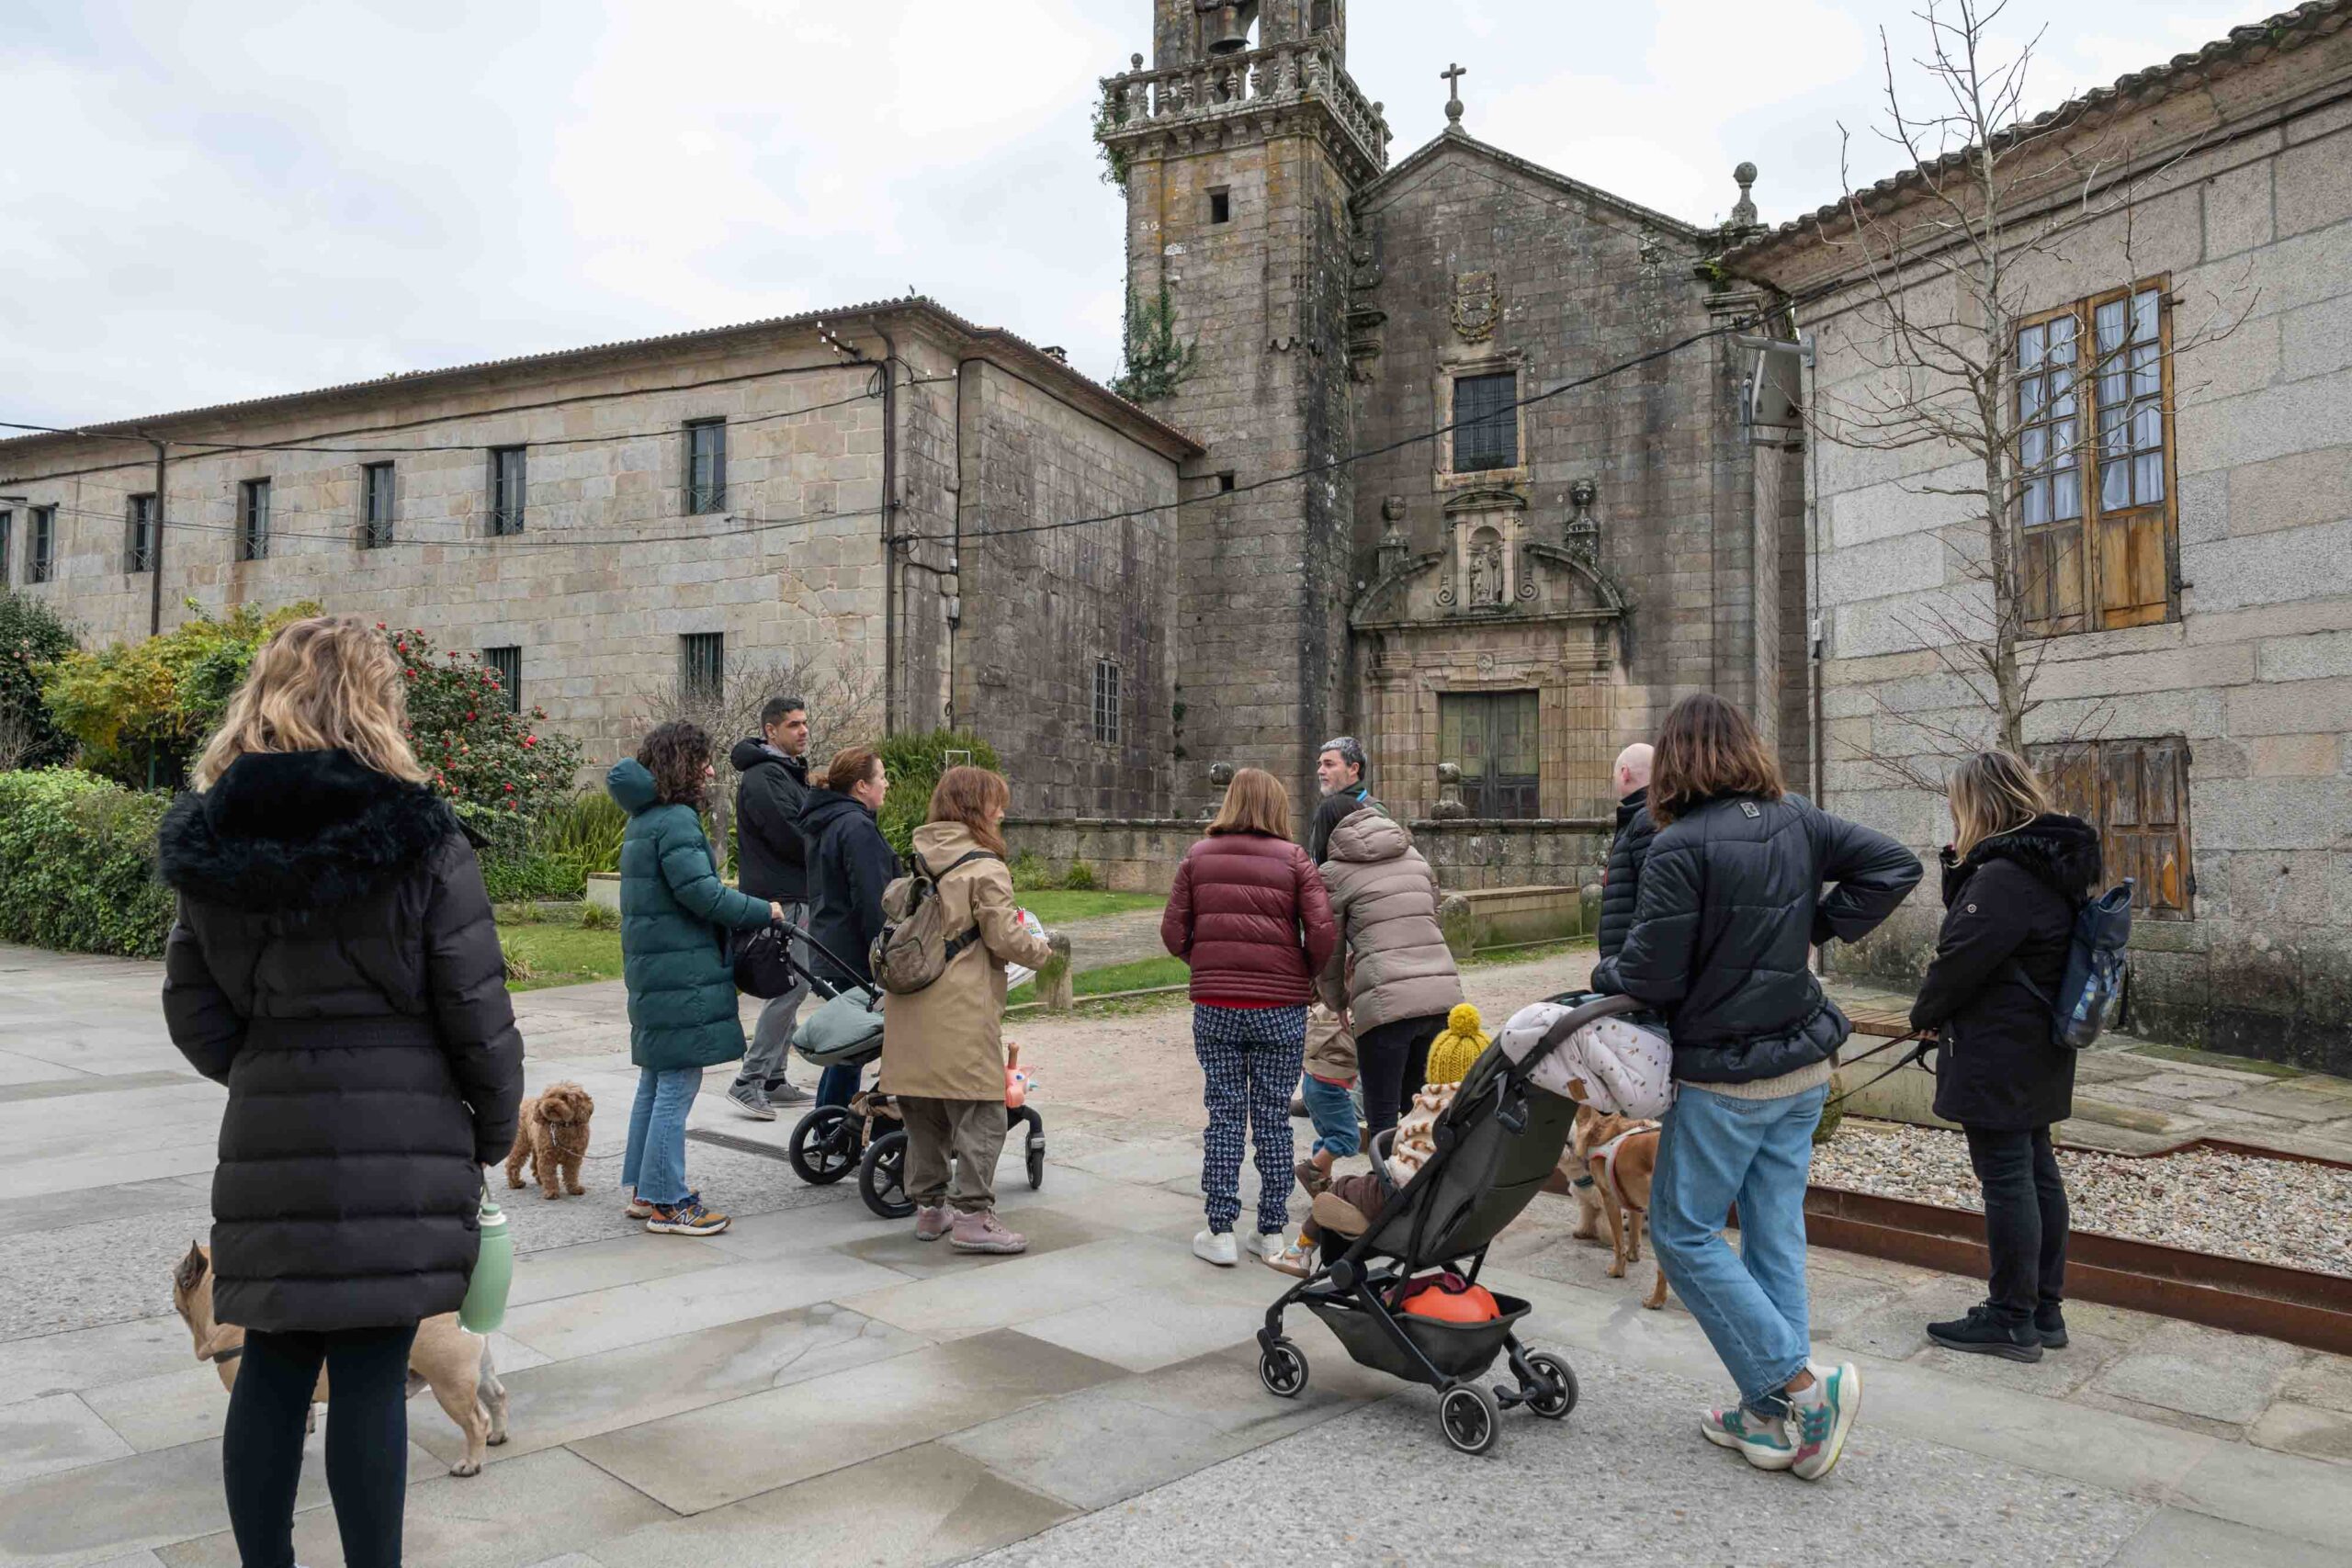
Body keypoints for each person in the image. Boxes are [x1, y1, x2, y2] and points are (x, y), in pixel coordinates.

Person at [157, 615, 524, 1568]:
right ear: (376, 703)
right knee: (368, 1371)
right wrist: (487, 1128)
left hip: (269, 1132)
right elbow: (475, 1008)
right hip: (401, 1136)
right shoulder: (420, 835)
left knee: (272, 1361)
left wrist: (271, 1069)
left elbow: (193, 1011)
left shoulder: (211, 841)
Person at [1591, 693, 1920, 1482]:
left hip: (1727, 1074)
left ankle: (1805, 1388)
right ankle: (1771, 1415)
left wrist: (1604, 976)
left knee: (1682, 1231)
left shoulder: (1678, 845)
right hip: (1805, 1065)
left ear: (1674, 760)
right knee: (1774, 1232)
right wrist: (1811, 926)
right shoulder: (1798, 816)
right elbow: (1896, 865)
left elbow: (1651, 972)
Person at [1911, 751, 2101, 1362]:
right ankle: (2044, 1308)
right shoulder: (2047, 866)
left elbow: (1959, 956)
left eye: (1957, 801)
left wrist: (1923, 1014)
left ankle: (2011, 1316)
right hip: (2038, 1041)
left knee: (2009, 1177)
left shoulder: (2003, 876)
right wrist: (1958, 865)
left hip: (1999, 1046)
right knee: (2036, 1168)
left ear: (1979, 803)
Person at [608, 721, 786, 1238]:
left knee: (656, 1080)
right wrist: (762, 909)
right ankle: (668, 1202)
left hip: (655, 971)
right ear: (680, 765)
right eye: (702, 760)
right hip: (680, 972)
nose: (711, 770)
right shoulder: (677, 820)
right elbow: (703, 895)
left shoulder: (645, 819)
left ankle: (646, 1191)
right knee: (677, 1084)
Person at [1162, 767, 1337, 1267]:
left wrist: (1207, 964)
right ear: (1277, 807)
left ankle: (1219, 1230)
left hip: (1217, 1006)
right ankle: (1271, 1230)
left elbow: (1173, 933)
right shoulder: (1294, 859)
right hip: (1280, 1010)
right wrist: (1301, 972)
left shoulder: (1198, 857)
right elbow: (1322, 932)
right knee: (1273, 1119)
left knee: (1223, 1115)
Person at [879, 766, 1057, 1255]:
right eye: (996, 803)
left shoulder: (919, 855)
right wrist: (1043, 950)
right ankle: (974, 1216)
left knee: (923, 1109)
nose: (1003, 812)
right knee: (982, 1110)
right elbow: (1003, 936)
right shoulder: (984, 866)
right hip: (960, 1007)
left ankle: (930, 1210)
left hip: (909, 1003)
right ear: (977, 808)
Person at [1316, 805, 1464, 1138]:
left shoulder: (1333, 873)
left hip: (1385, 1004)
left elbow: (1331, 951)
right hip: (1440, 996)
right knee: (1427, 1111)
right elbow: (1433, 919)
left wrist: (1338, 1000)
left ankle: (1387, 1188)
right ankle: (1426, 1185)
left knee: (1382, 1118)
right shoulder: (1416, 860)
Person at [726, 695, 816, 1119]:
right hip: (782, 896)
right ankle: (750, 1080)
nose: (803, 731)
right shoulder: (765, 777)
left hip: (794, 892)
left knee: (792, 985)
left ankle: (775, 1079)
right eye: (794, 725)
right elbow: (791, 835)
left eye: (804, 723)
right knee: (790, 986)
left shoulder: (786, 773)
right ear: (771, 731)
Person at [800, 745, 899, 1108]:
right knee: (852, 1048)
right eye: (882, 777)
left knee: (846, 1049)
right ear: (861, 786)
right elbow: (873, 897)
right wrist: (887, 950)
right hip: (853, 953)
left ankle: (830, 1121)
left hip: (832, 944)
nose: (886, 784)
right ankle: (836, 1124)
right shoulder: (854, 826)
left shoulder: (829, 821)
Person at [1596, 741, 1656, 962]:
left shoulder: (1646, 820)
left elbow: (1652, 900)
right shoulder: (1640, 816)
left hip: (1631, 961)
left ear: (1624, 773)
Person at [1306, 734, 1382, 866]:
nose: (1320, 771)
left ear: (1353, 769)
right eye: (1320, 764)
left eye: (1329, 765)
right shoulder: (1325, 808)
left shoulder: (1373, 809)